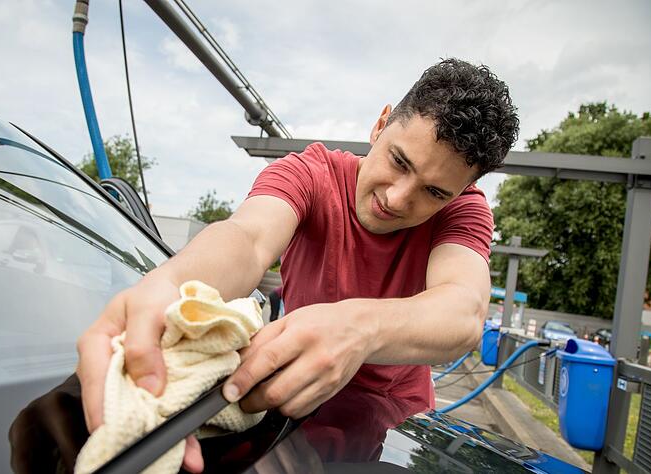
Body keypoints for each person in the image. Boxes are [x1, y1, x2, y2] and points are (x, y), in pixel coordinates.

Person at [77, 58, 519, 471]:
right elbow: (247, 240)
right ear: (380, 125)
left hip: (394, 422)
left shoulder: (465, 213)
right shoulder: (311, 173)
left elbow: (463, 310)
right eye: (398, 161)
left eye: (435, 193)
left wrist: (359, 328)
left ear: (461, 193)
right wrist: (171, 283)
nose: (398, 198)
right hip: (290, 404)